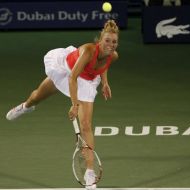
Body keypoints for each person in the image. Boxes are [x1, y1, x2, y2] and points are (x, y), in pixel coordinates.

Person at [6, 19, 119, 189]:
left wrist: (105, 82)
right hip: (66, 70)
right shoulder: (88, 51)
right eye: (107, 41)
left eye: (114, 42)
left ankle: (89, 173)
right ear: (100, 41)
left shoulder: (113, 55)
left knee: (86, 125)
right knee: (37, 96)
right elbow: (72, 78)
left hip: (86, 81)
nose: (110, 45)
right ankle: (26, 107)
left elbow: (104, 64)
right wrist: (74, 105)